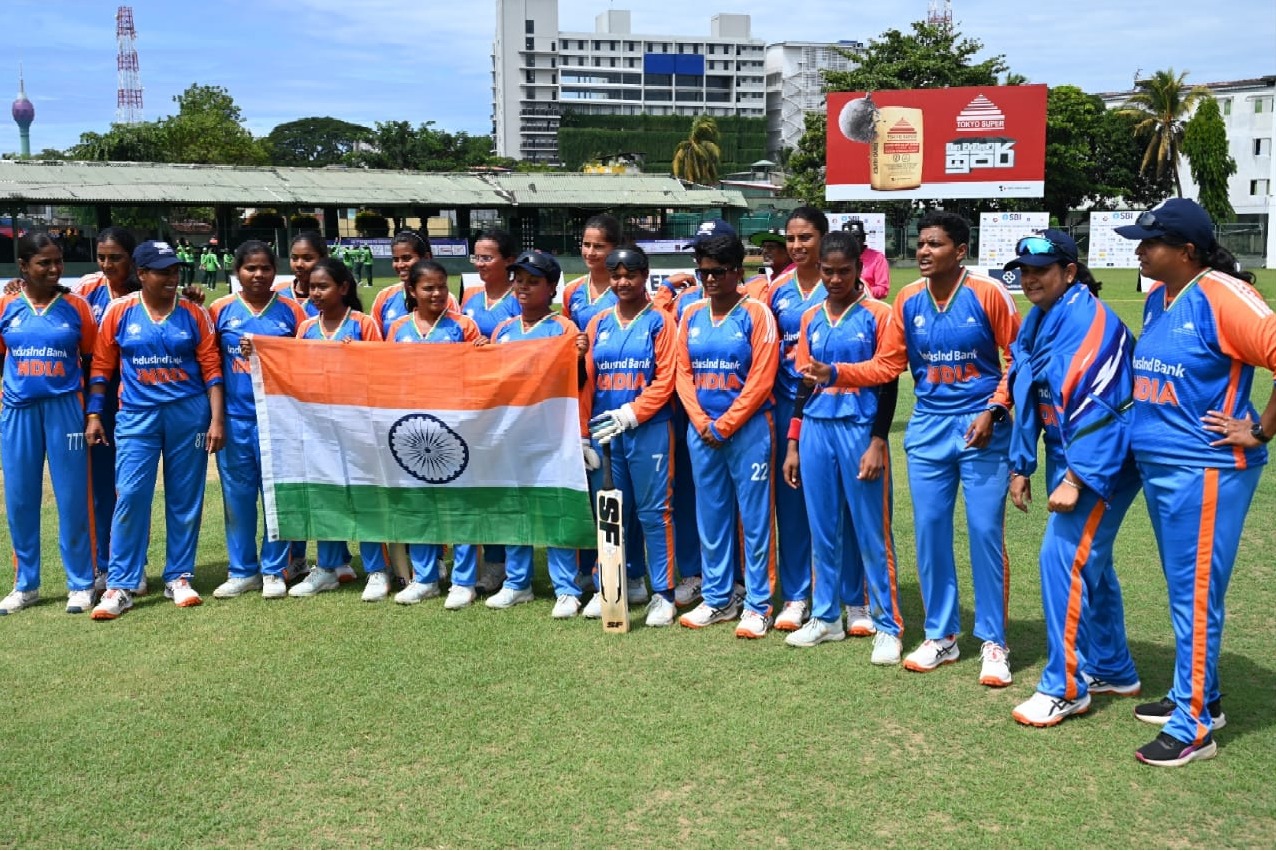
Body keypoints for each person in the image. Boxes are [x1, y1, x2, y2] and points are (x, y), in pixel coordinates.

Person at [1113, 198, 1276, 766]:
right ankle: (1201, 695)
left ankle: (1195, 725)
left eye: (1149, 242)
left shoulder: (1224, 296)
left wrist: (1259, 429)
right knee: (1186, 590)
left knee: (1196, 596)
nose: (1139, 251)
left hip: (1206, 470)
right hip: (1165, 467)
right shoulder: (1158, 296)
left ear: (1186, 251)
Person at [829, 210, 1021, 685]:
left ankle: (994, 642)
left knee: (984, 532)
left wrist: (995, 409)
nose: (923, 251)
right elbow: (887, 365)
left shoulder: (988, 293)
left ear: (960, 250)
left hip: (982, 428)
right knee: (930, 532)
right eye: (920, 243)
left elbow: (1019, 358)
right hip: (929, 428)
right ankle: (942, 635)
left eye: (935, 244)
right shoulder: (908, 298)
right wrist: (835, 372)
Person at [1003, 230, 1142, 727]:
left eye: (1041, 269)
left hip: (1100, 461)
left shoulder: (1090, 323)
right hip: (1066, 453)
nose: (1030, 278)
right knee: (1092, 563)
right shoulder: (1040, 317)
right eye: (1024, 270)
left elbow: (1105, 409)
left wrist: (1078, 480)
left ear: (1068, 271)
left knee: (1062, 557)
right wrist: (1022, 465)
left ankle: (1064, 686)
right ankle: (1114, 668)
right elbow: (1028, 390)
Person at [781, 230, 905, 658]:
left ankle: (888, 625)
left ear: (859, 269)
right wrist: (793, 442)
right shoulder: (810, 317)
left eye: (844, 272)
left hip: (859, 427)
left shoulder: (879, 315)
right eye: (828, 272)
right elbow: (804, 383)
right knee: (822, 528)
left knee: (872, 530)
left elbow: (889, 381)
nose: (835, 280)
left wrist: (878, 440)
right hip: (817, 428)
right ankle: (826, 617)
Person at [88, 240, 225, 620]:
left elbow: (212, 369)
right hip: (136, 415)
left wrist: (216, 420)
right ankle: (121, 584)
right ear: (142, 273)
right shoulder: (119, 311)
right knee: (131, 496)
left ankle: (178, 577)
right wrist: (95, 414)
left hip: (189, 415)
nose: (172, 278)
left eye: (175, 270)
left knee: (185, 498)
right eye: (163, 272)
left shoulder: (194, 313)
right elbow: (101, 366)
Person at [259, 258, 391, 602]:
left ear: (343, 288)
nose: (315, 293)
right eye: (312, 287)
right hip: (317, 430)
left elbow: (381, 370)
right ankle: (328, 568)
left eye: (323, 286)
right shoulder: (306, 328)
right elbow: (292, 370)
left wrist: (355, 357)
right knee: (325, 496)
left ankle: (377, 569)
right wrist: (257, 352)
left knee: (365, 496)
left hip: (359, 427)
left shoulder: (363, 324)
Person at [675, 232, 779, 637]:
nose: (709, 279)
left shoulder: (756, 313)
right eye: (703, 271)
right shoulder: (691, 314)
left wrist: (727, 423)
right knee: (711, 517)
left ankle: (758, 603)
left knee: (754, 520)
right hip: (702, 431)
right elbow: (683, 373)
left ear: (737, 271)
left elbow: (762, 377)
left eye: (717, 272)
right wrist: (701, 421)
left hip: (748, 430)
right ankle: (718, 598)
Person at [0, 234, 99, 615]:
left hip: (66, 409)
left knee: (73, 497)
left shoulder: (77, 306)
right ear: (23, 266)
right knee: (20, 498)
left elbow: (93, 361)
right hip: (18, 411)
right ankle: (26, 585)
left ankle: (80, 583)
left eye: (58, 261)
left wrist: (92, 411)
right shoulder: (7, 305)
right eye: (44, 262)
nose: (55, 269)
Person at [581, 246, 680, 626]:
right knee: (610, 515)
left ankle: (664, 594)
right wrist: (585, 434)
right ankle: (611, 586)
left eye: (631, 275)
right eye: (616, 275)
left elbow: (666, 379)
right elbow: (588, 382)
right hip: (605, 433)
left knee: (654, 513)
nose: (623, 282)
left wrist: (632, 413)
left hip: (648, 429)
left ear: (645, 275)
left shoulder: (660, 321)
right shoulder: (599, 323)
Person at [486, 249, 586, 614]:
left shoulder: (564, 329)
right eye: (519, 281)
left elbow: (578, 384)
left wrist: (578, 358)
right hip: (511, 435)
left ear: (552, 289)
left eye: (533, 282)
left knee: (557, 508)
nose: (523, 288)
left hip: (552, 436)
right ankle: (517, 583)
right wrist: (481, 354)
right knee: (515, 508)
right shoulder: (503, 330)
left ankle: (567, 588)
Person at [208, 241, 309, 601]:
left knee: (276, 498)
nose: (258, 274)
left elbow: (305, 361)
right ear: (237, 271)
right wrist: (216, 419)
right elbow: (210, 364)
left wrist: (268, 351)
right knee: (238, 498)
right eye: (250, 268)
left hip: (278, 419)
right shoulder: (219, 310)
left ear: (274, 271)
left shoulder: (292, 311)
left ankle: (274, 569)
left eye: (265, 267)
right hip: (235, 419)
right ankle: (242, 571)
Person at [386, 258, 485, 608]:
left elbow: (481, 375)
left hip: (455, 430)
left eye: (442, 286)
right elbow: (385, 374)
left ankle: (463, 581)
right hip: (412, 430)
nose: (437, 293)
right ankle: (425, 578)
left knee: (460, 505)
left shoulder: (464, 326)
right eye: (428, 288)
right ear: (412, 291)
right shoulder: (398, 328)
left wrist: (484, 354)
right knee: (419, 505)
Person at [766, 207, 831, 632]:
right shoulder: (777, 290)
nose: (796, 246)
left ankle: (844, 593)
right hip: (787, 407)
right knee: (790, 507)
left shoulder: (840, 282)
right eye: (791, 238)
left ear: (823, 237)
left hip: (833, 410)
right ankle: (796, 595)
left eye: (805, 237)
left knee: (831, 507)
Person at [458, 228, 523, 595]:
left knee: (509, 488)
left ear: (508, 261)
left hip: (511, 408)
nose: (480, 264)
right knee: (483, 487)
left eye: (487, 257)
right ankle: (494, 562)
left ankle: (516, 566)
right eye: (477, 257)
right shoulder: (468, 298)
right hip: (475, 409)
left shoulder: (520, 298)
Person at [370, 231, 455, 338]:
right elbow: (374, 342)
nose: (400, 265)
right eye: (396, 259)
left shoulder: (445, 299)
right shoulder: (384, 297)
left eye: (406, 258)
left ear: (426, 257)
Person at [843, 219, 890, 299]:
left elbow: (883, 289)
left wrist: (861, 290)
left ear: (863, 237)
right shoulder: (839, 258)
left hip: (868, 304)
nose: (852, 241)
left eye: (856, 236)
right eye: (848, 238)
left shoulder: (878, 258)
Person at [745, 229, 793, 300]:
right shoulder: (755, 282)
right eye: (763, 247)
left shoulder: (797, 281)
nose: (765, 251)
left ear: (787, 251)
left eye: (771, 247)